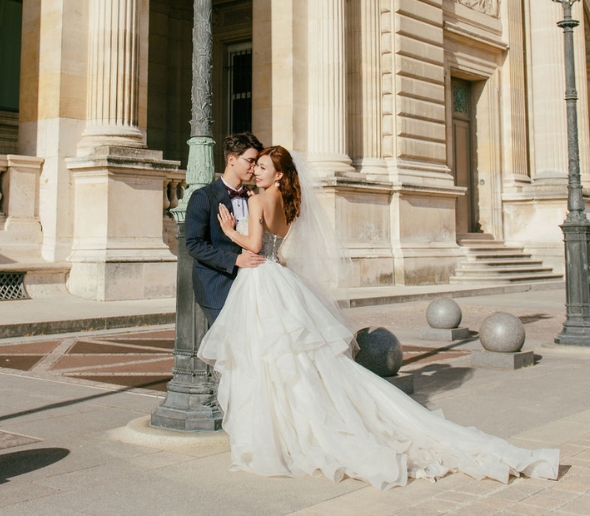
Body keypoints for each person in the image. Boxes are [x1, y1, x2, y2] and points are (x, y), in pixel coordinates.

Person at [198, 146, 560, 490]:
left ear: (278, 176)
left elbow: (256, 246)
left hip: (261, 277)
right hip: (279, 276)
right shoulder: (287, 203)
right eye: (255, 165)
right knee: (292, 359)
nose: (255, 172)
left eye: (262, 167)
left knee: (267, 358)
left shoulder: (260, 199)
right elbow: (276, 244)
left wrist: (231, 232)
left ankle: (274, 432)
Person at [184, 132, 265, 327]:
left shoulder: (253, 198)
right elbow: (193, 244)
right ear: (232, 159)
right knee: (227, 347)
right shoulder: (203, 196)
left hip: (250, 284)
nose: (254, 169)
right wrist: (236, 260)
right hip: (216, 284)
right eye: (250, 161)